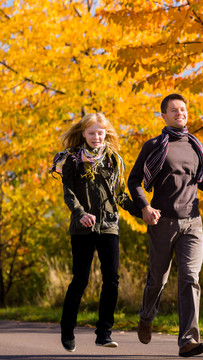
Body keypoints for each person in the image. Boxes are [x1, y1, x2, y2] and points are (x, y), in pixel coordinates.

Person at [127, 93, 203, 358]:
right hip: (163, 222)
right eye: (174, 110)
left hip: (193, 222)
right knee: (157, 279)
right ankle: (146, 316)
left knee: (190, 279)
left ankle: (188, 340)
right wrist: (145, 208)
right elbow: (135, 180)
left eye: (183, 109)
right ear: (164, 116)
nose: (180, 113)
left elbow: (202, 180)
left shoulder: (195, 145)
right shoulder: (154, 146)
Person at [50, 113, 142, 352]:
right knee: (80, 279)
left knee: (111, 279)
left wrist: (142, 211)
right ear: (83, 134)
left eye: (100, 132)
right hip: (82, 228)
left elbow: (120, 194)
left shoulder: (113, 159)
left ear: (106, 133)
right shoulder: (72, 159)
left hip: (109, 225)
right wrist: (81, 213)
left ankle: (104, 333)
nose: (96, 137)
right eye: (91, 133)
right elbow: (68, 192)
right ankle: (67, 329)